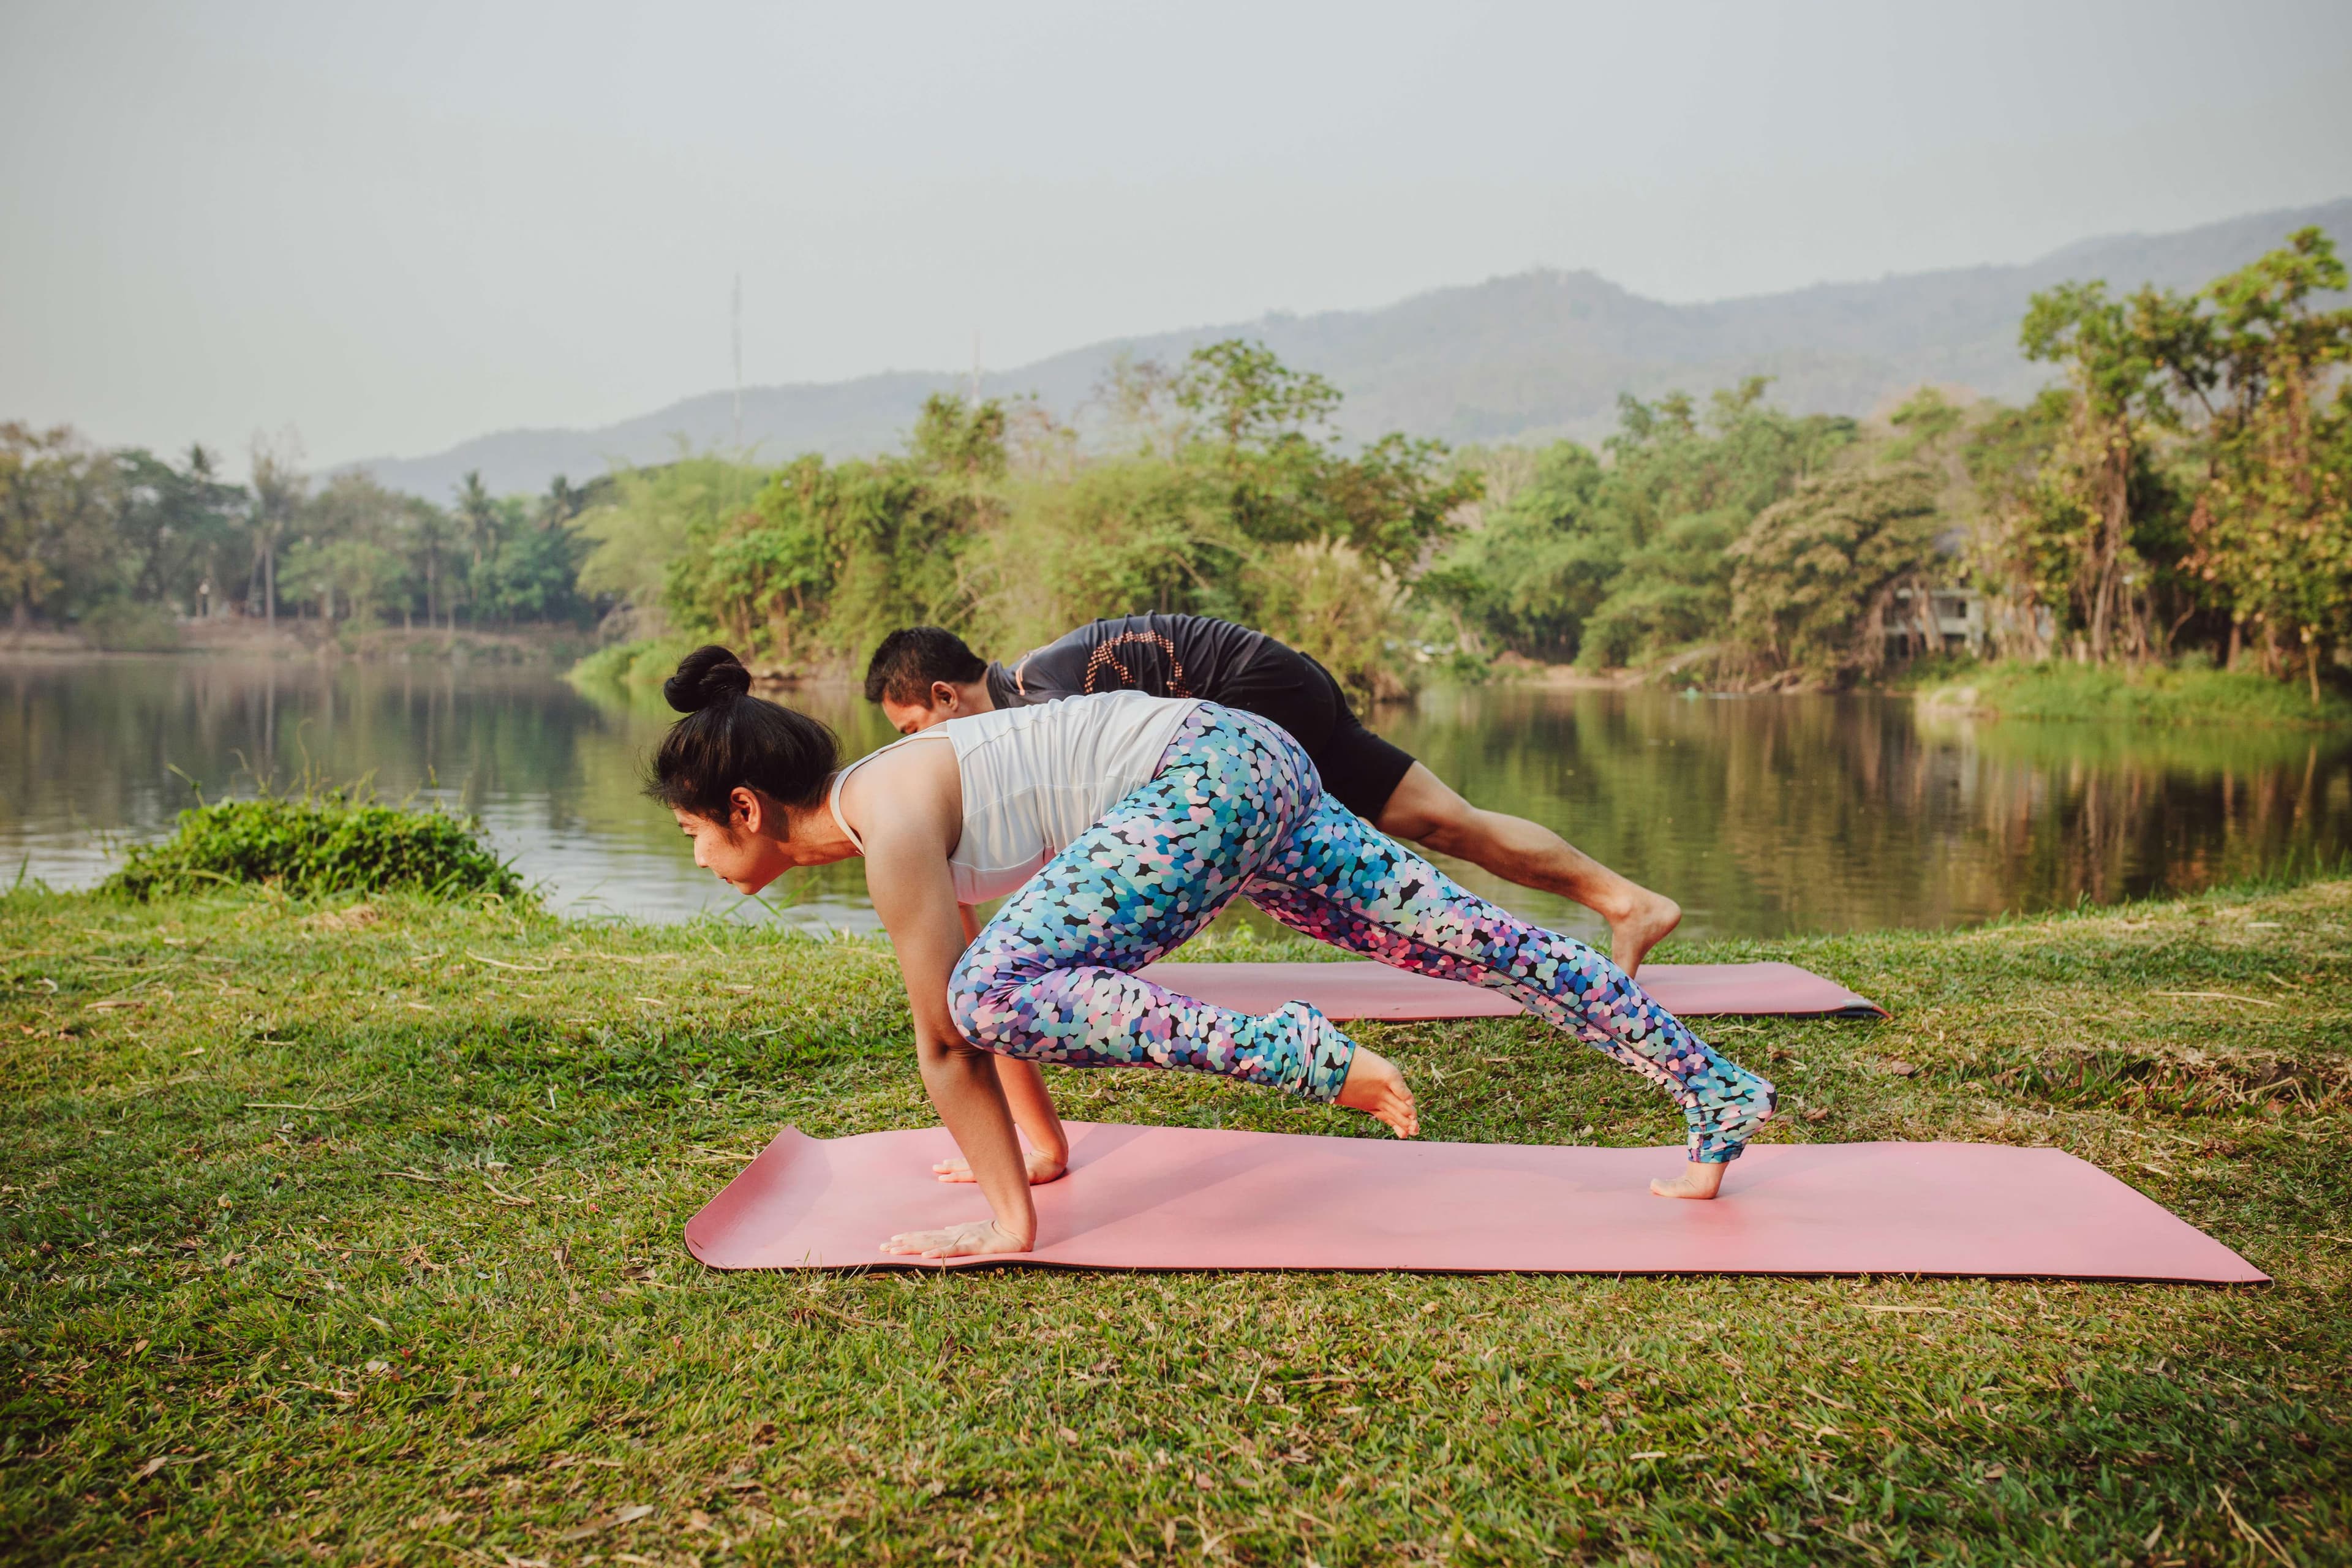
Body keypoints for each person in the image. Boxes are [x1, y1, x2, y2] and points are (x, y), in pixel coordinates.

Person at [652, 644, 1775, 1260]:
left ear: (746, 808)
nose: (699, 856)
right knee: (1478, 941)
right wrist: (1037, 1155)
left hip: (1210, 778)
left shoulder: (888, 820)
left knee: (981, 995)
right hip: (1255, 762)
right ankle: (1713, 1088)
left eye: (694, 832)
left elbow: (951, 1039)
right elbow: (1002, 988)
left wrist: (1004, 1227)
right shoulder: (896, 805)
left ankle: (1302, 1055)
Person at [862, 616, 1685, 974]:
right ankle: (1626, 902)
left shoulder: (1044, 695)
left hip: (1258, 698)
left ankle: (1506, 949)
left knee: (1248, 842)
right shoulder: (1035, 681)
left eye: (911, 728)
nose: (918, 748)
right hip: (1284, 680)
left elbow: (1116, 841)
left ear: (944, 695)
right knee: (1443, 820)